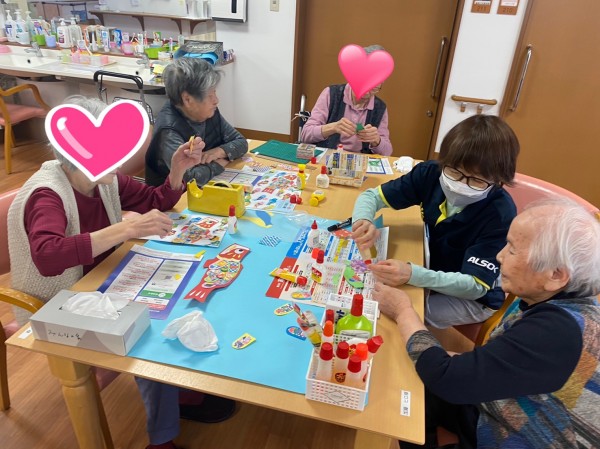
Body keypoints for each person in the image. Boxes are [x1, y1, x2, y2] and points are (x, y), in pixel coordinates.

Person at [7, 96, 235, 449]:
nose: (121, 161)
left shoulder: (104, 178)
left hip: (104, 279)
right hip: (59, 299)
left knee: (181, 294)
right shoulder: (47, 194)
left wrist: (177, 170)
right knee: (148, 331)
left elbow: (155, 201)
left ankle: (176, 390)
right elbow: (47, 257)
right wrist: (125, 229)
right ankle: (162, 438)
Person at [372, 198, 600, 448]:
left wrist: (403, 310)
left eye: (512, 249)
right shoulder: (559, 303)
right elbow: (503, 362)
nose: (500, 256)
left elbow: (446, 378)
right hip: (506, 403)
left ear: (556, 275)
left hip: (521, 434)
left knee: (416, 383)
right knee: (409, 378)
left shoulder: (556, 332)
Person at [352, 115, 519, 327]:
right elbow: (371, 197)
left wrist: (412, 274)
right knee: (387, 301)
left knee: (398, 314)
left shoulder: (500, 214)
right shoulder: (431, 173)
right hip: (431, 266)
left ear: (498, 181)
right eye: (454, 171)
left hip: (473, 297)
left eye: (477, 180)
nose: (461, 184)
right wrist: (363, 220)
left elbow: (475, 286)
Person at [145, 57, 248, 187]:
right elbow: (190, 178)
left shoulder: (207, 112)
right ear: (187, 100)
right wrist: (219, 163)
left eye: (214, 92)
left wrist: (219, 152)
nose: (216, 100)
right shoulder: (168, 131)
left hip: (208, 185)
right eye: (210, 95)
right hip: (175, 196)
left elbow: (241, 142)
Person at [299, 44, 393, 155]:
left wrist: (377, 140)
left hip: (359, 160)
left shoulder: (379, 107)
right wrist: (333, 127)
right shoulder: (331, 94)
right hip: (328, 157)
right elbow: (305, 134)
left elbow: (387, 152)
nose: (367, 92)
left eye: (374, 88)